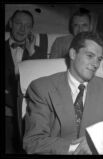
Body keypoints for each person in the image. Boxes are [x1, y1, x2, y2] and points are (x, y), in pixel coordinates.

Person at [23, 31, 103, 154]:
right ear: (73, 54)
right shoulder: (42, 88)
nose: (96, 64)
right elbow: (33, 142)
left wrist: (99, 141)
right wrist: (82, 147)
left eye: (99, 59)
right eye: (90, 56)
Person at [5, 10, 47, 153]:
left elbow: (40, 82)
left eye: (27, 26)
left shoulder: (38, 52)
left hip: (31, 114)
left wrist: (31, 53)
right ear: (10, 23)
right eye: (18, 23)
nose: (22, 29)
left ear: (31, 29)